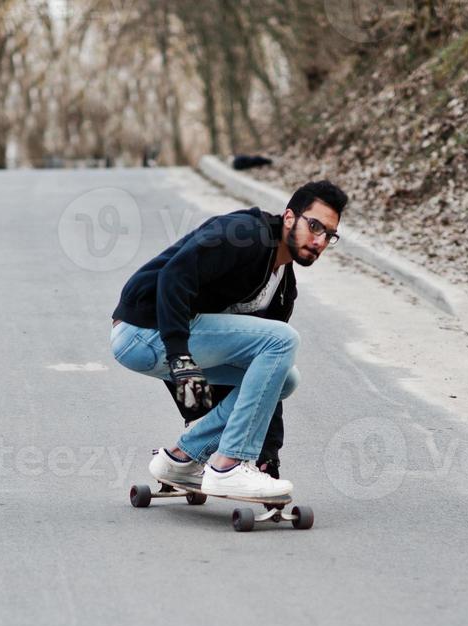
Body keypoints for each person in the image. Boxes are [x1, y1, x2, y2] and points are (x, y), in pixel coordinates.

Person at [109, 180, 348, 500]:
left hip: (171, 340)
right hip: (143, 331)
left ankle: (181, 459)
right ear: (289, 217)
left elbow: (266, 373)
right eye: (314, 226)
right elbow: (173, 276)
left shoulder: (281, 290)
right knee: (283, 339)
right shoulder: (244, 234)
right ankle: (227, 465)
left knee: (285, 378)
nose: (319, 241)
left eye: (328, 235)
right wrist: (181, 359)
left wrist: (268, 456)